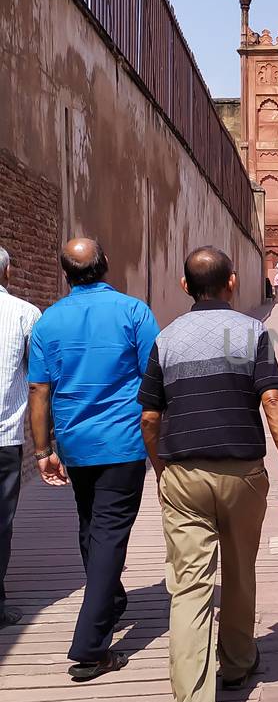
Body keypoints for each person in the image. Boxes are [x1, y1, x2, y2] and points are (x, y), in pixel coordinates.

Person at [139, 247, 278, 702]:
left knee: (189, 589)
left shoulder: (165, 339)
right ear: (232, 283)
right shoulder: (251, 333)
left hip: (184, 471)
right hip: (242, 471)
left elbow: (149, 416)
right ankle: (235, 662)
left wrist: (161, 468)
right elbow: (272, 399)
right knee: (239, 569)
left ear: (186, 286)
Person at [28, 238, 159, 679]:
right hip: (122, 442)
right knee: (107, 533)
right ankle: (89, 646)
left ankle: (112, 600)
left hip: (75, 443)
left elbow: (39, 390)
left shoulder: (49, 322)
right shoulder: (133, 313)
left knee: (91, 525)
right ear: (105, 264)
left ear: (64, 272)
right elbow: (154, 379)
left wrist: (43, 450)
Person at [0, 247, 41, 627]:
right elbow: (37, 382)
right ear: (8, 273)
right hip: (4, 438)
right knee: (1, 520)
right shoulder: (25, 314)